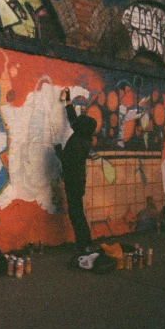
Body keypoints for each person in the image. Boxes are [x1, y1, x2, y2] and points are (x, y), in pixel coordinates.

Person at [55, 88, 97, 254]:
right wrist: (68, 101)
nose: (77, 121)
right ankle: (84, 242)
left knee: (76, 214)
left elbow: (67, 160)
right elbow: (73, 119)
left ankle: (83, 244)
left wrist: (58, 150)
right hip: (77, 180)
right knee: (77, 212)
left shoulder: (79, 142)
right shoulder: (82, 135)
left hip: (74, 181)